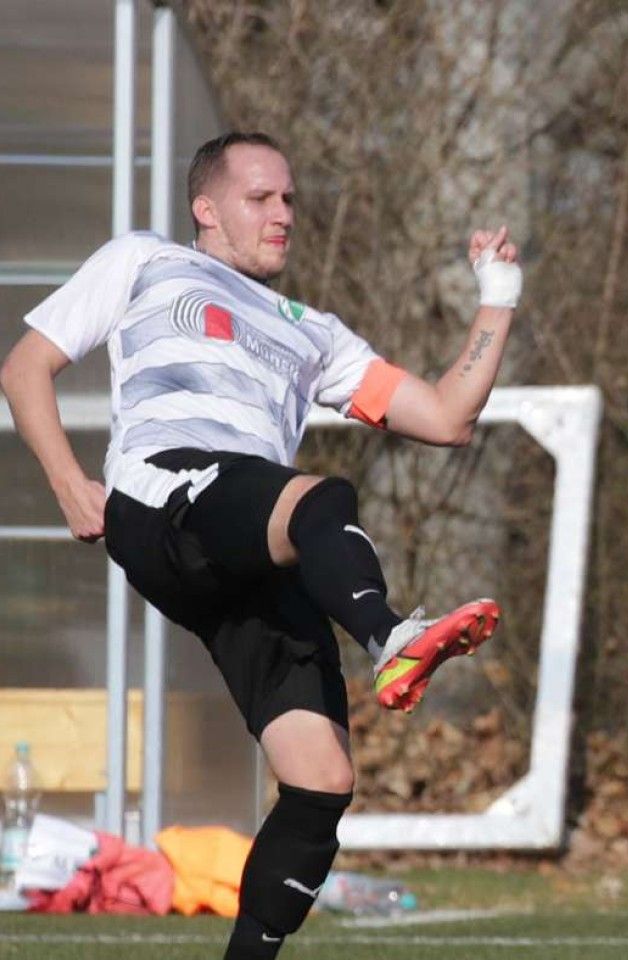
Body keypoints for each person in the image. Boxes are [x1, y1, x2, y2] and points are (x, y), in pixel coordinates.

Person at [0, 131, 521, 960]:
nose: (283, 215)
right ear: (207, 209)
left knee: (322, 783)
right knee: (320, 499)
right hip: (166, 494)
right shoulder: (145, 260)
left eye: (289, 201)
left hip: (244, 544)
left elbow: (448, 418)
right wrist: (67, 481)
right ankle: (388, 635)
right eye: (260, 199)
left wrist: (498, 292)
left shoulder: (314, 331)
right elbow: (26, 365)